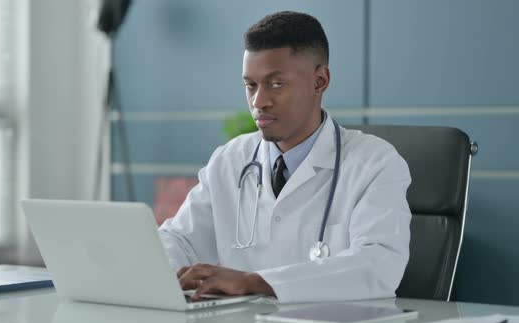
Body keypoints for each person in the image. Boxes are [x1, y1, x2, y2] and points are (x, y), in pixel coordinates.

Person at [158, 11, 411, 303]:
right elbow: (179, 240)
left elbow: (377, 267)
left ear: (319, 81)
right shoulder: (230, 160)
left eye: (276, 84)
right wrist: (160, 272)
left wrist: (253, 282)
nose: (258, 102)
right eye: (250, 85)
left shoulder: (375, 162)